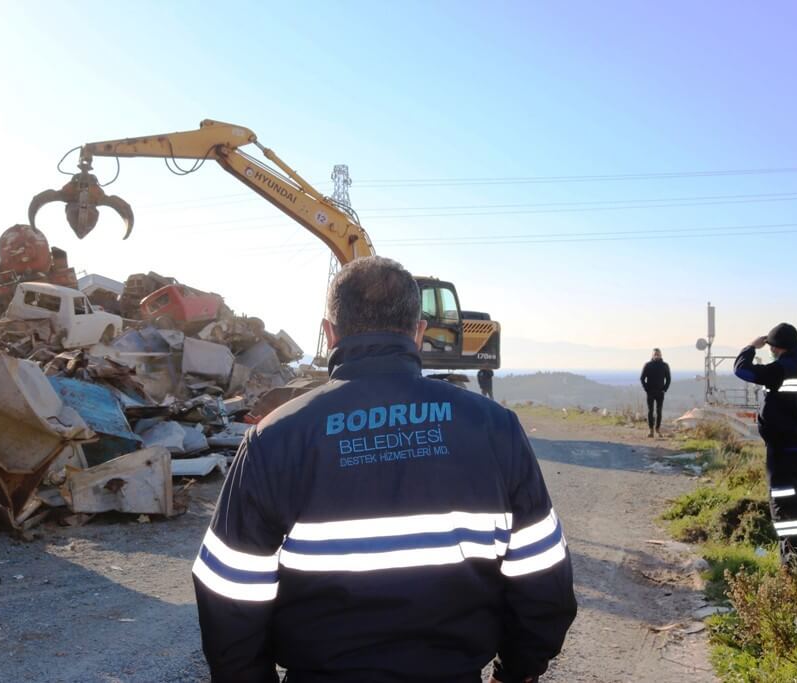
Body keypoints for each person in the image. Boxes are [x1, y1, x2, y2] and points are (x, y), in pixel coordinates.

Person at [193, 256, 577, 683]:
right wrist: (519, 670)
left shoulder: (275, 437)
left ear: (330, 333)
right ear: (418, 332)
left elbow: (229, 589)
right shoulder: (493, 427)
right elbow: (542, 574)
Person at [734, 323, 797, 565]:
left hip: (783, 452)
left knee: (785, 511)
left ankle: (793, 569)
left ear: (776, 347)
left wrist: (752, 347)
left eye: (772, 347)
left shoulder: (781, 370)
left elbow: (742, 370)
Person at [640, 348, 671, 437]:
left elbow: (668, 379)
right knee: (650, 411)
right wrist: (646, 389)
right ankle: (651, 430)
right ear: (652, 355)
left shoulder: (665, 365)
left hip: (660, 392)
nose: (657, 356)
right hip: (650, 392)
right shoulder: (648, 365)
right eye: (655, 354)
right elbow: (642, 378)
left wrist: (664, 389)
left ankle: (658, 429)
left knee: (659, 411)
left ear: (661, 355)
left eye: (658, 354)